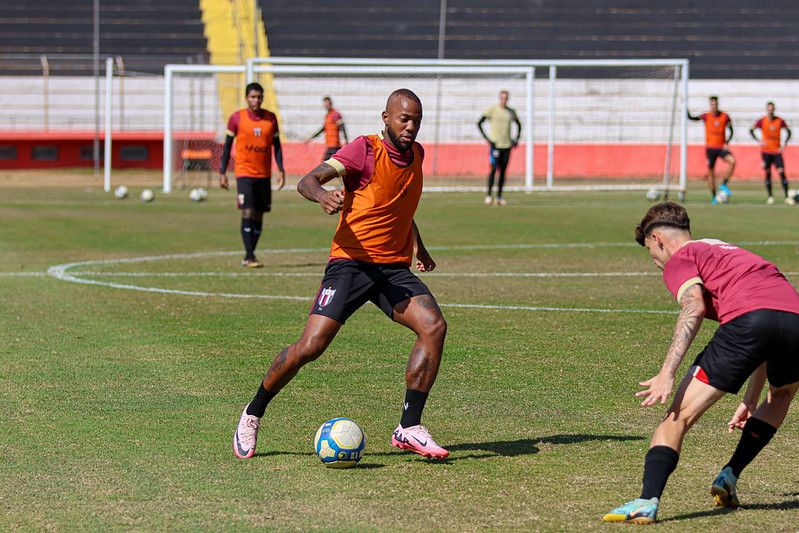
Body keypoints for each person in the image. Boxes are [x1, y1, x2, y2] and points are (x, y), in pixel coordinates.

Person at [233, 88, 450, 460]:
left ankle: (409, 426)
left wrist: (419, 245)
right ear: (386, 118)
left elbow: (398, 203)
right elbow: (309, 180)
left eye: (417, 120)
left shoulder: (417, 155)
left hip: (392, 269)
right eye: (404, 119)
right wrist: (322, 195)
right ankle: (253, 412)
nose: (411, 127)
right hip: (349, 264)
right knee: (310, 347)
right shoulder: (363, 149)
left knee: (433, 325)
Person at [603, 202, 799, 524]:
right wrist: (750, 399)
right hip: (795, 319)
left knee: (677, 417)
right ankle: (730, 475)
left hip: (749, 322)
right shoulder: (732, 253)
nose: (655, 261)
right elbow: (770, 319)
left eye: (652, 252)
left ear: (659, 239)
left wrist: (667, 373)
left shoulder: (682, 258)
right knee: (781, 397)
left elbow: (693, 306)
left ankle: (646, 500)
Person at [219, 82, 286, 268]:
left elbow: (277, 147)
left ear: (263, 98)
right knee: (247, 210)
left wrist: (281, 169)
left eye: (259, 97)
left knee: (259, 214)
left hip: (264, 174)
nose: (256, 100)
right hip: (244, 172)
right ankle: (249, 256)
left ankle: (250, 254)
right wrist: (222, 172)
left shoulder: (271, 119)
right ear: (246, 98)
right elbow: (227, 147)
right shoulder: (236, 118)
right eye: (252, 97)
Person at [688, 96, 735, 203]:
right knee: (711, 172)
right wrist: (685, 107)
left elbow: (731, 130)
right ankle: (714, 196)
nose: (714, 106)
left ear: (718, 104)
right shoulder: (706, 116)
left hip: (721, 147)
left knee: (732, 161)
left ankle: (723, 184)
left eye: (716, 104)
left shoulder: (725, 116)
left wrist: (727, 142)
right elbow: (692, 118)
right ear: (710, 105)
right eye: (712, 104)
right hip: (710, 148)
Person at [477, 90, 521, 206]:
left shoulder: (511, 112)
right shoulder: (493, 109)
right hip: (496, 146)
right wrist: (489, 140)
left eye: (506, 98)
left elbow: (519, 124)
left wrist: (516, 139)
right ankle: (489, 195)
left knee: (503, 172)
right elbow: (479, 123)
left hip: (507, 146)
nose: (504, 100)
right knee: (493, 170)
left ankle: (499, 197)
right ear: (499, 98)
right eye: (502, 98)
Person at [749, 101, 794, 205]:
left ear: (774, 110)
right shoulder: (762, 121)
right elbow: (751, 130)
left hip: (776, 151)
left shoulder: (779, 121)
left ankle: (786, 196)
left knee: (781, 172)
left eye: (772, 109)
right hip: (766, 151)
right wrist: (759, 141)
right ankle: (770, 196)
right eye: (769, 109)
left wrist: (784, 144)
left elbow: (789, 132)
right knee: (768, 173)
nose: (770, 111)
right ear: (767, 110)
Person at [304, 96, 349, 161]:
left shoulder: (335, 114)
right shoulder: (327, 116)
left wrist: (346, 141)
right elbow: (323, 129)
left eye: (328, 104)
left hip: (335, 145)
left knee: (325, 165)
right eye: (325, 104)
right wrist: (311, 137)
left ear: (331, 104)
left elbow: (342, 127)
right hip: (329, 144)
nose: (326, 106)